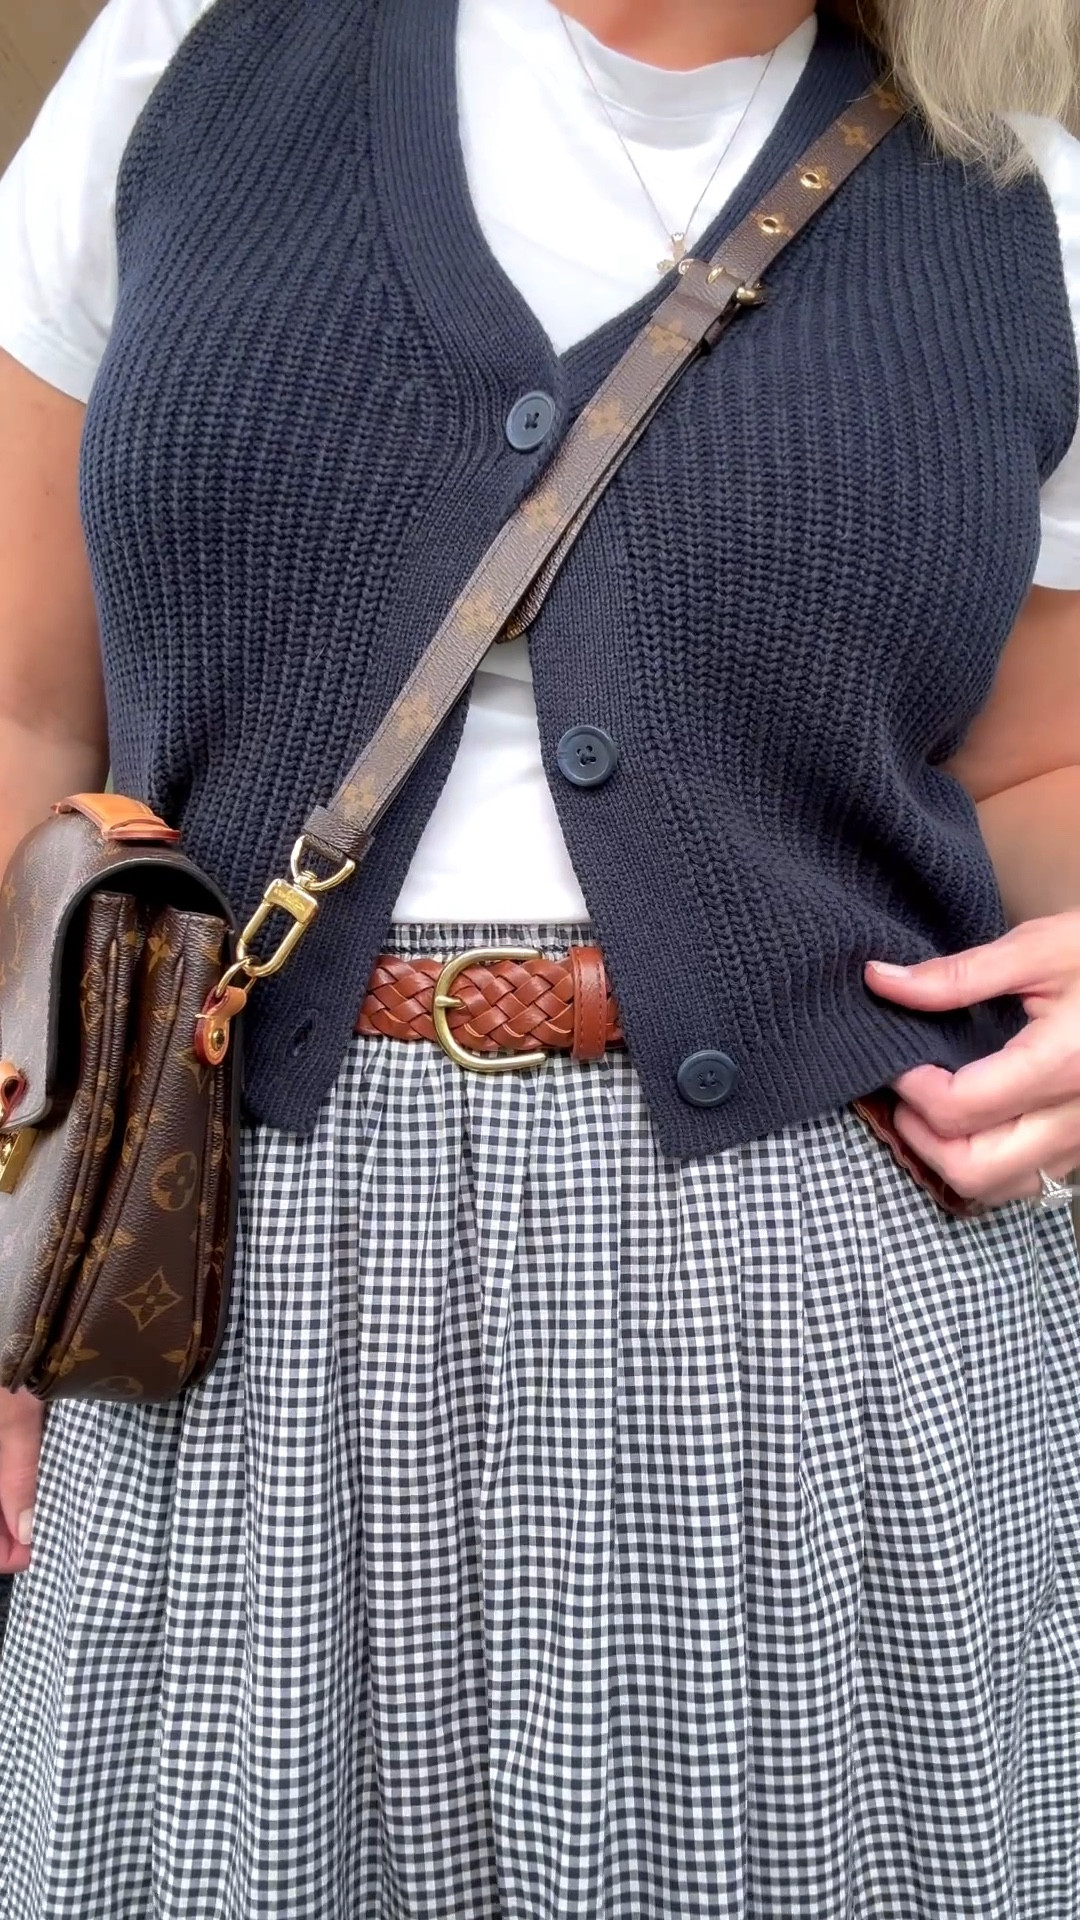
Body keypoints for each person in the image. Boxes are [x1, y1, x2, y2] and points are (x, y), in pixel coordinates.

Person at [0, 0, 1079, 1912]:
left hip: (824, 1292)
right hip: (218, 1265)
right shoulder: (192, 55)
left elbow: (1035, 768)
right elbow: (24, 715)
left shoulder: (1030, 184)